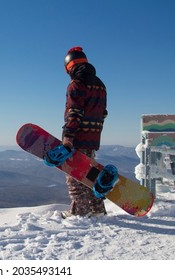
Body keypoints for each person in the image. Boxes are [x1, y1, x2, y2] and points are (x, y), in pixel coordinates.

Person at [60, 46, 108, 219]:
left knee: (74, 176)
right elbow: (102, 112)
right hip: (93, 139)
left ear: (69, 67)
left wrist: (68, 138)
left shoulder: (76, 84)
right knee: (90, 175)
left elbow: (74, 112)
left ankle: (79, 212)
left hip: (78, 138)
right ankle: (97, 209)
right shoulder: (100, 84)